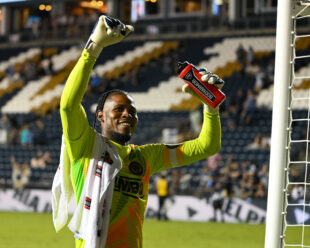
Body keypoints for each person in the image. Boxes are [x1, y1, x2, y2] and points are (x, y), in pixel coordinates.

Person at [56, 15, 224, 248]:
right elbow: (67, 106)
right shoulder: (84, 146)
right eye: (119, 109)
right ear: (100, 116)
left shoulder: (146, 157)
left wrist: (210, 108)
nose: (127, 114)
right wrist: (93, 48)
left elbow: (208, 146)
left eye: (132, 111)